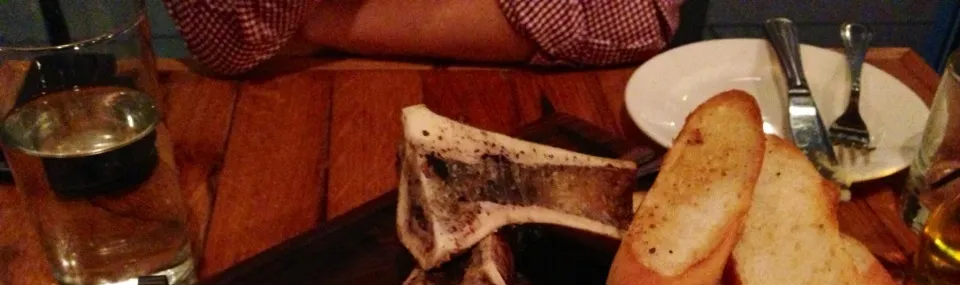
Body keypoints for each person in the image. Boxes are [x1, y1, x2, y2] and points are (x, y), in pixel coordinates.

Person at [160, 0, 685, 76]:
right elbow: (225, 34)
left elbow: (638, 15)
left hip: (511, 96)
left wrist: (318, 22)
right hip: (297, 89)